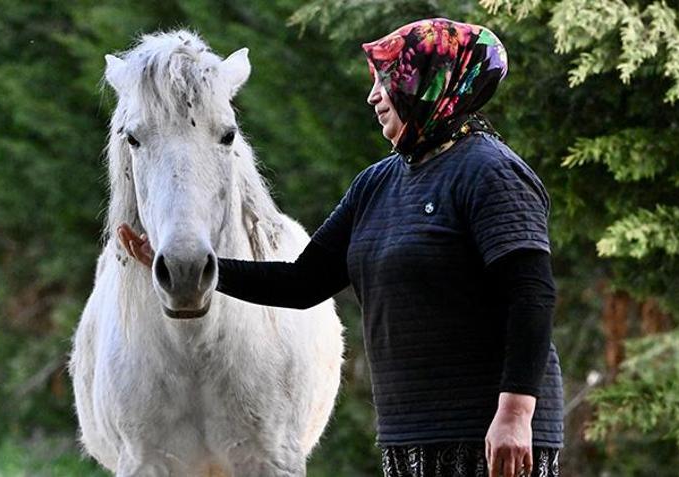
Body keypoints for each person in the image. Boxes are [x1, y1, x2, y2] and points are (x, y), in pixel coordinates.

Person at [118, 18, 563, 477]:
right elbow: (301, 282)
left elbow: (532, 295)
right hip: (413, 434)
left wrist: (515, 414)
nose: (374, 96)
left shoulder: (491, 173)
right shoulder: (377, 184)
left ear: (430, 84)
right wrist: (195, 266)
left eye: (388, 81)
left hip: (493, 437)